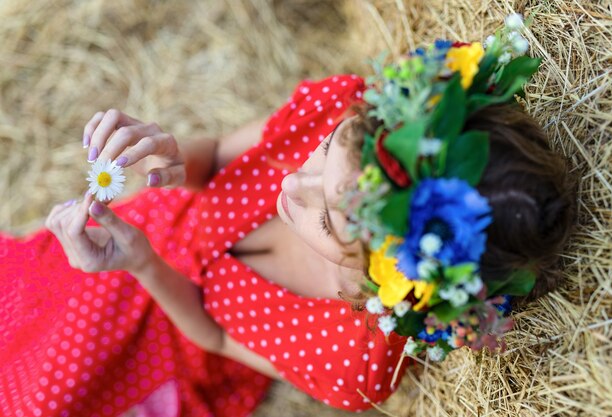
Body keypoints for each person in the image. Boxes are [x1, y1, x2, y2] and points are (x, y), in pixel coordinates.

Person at [0, 19, 577, 417]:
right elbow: (224, 155)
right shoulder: (334, 108)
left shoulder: (353, 359)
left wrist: (142, 264)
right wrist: (170, 155)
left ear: (392, 281)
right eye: (325, 150)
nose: (288, 184)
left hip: (174, 342)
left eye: (327, 220)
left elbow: (213, 333)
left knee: (43, 398)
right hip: (161, 223)